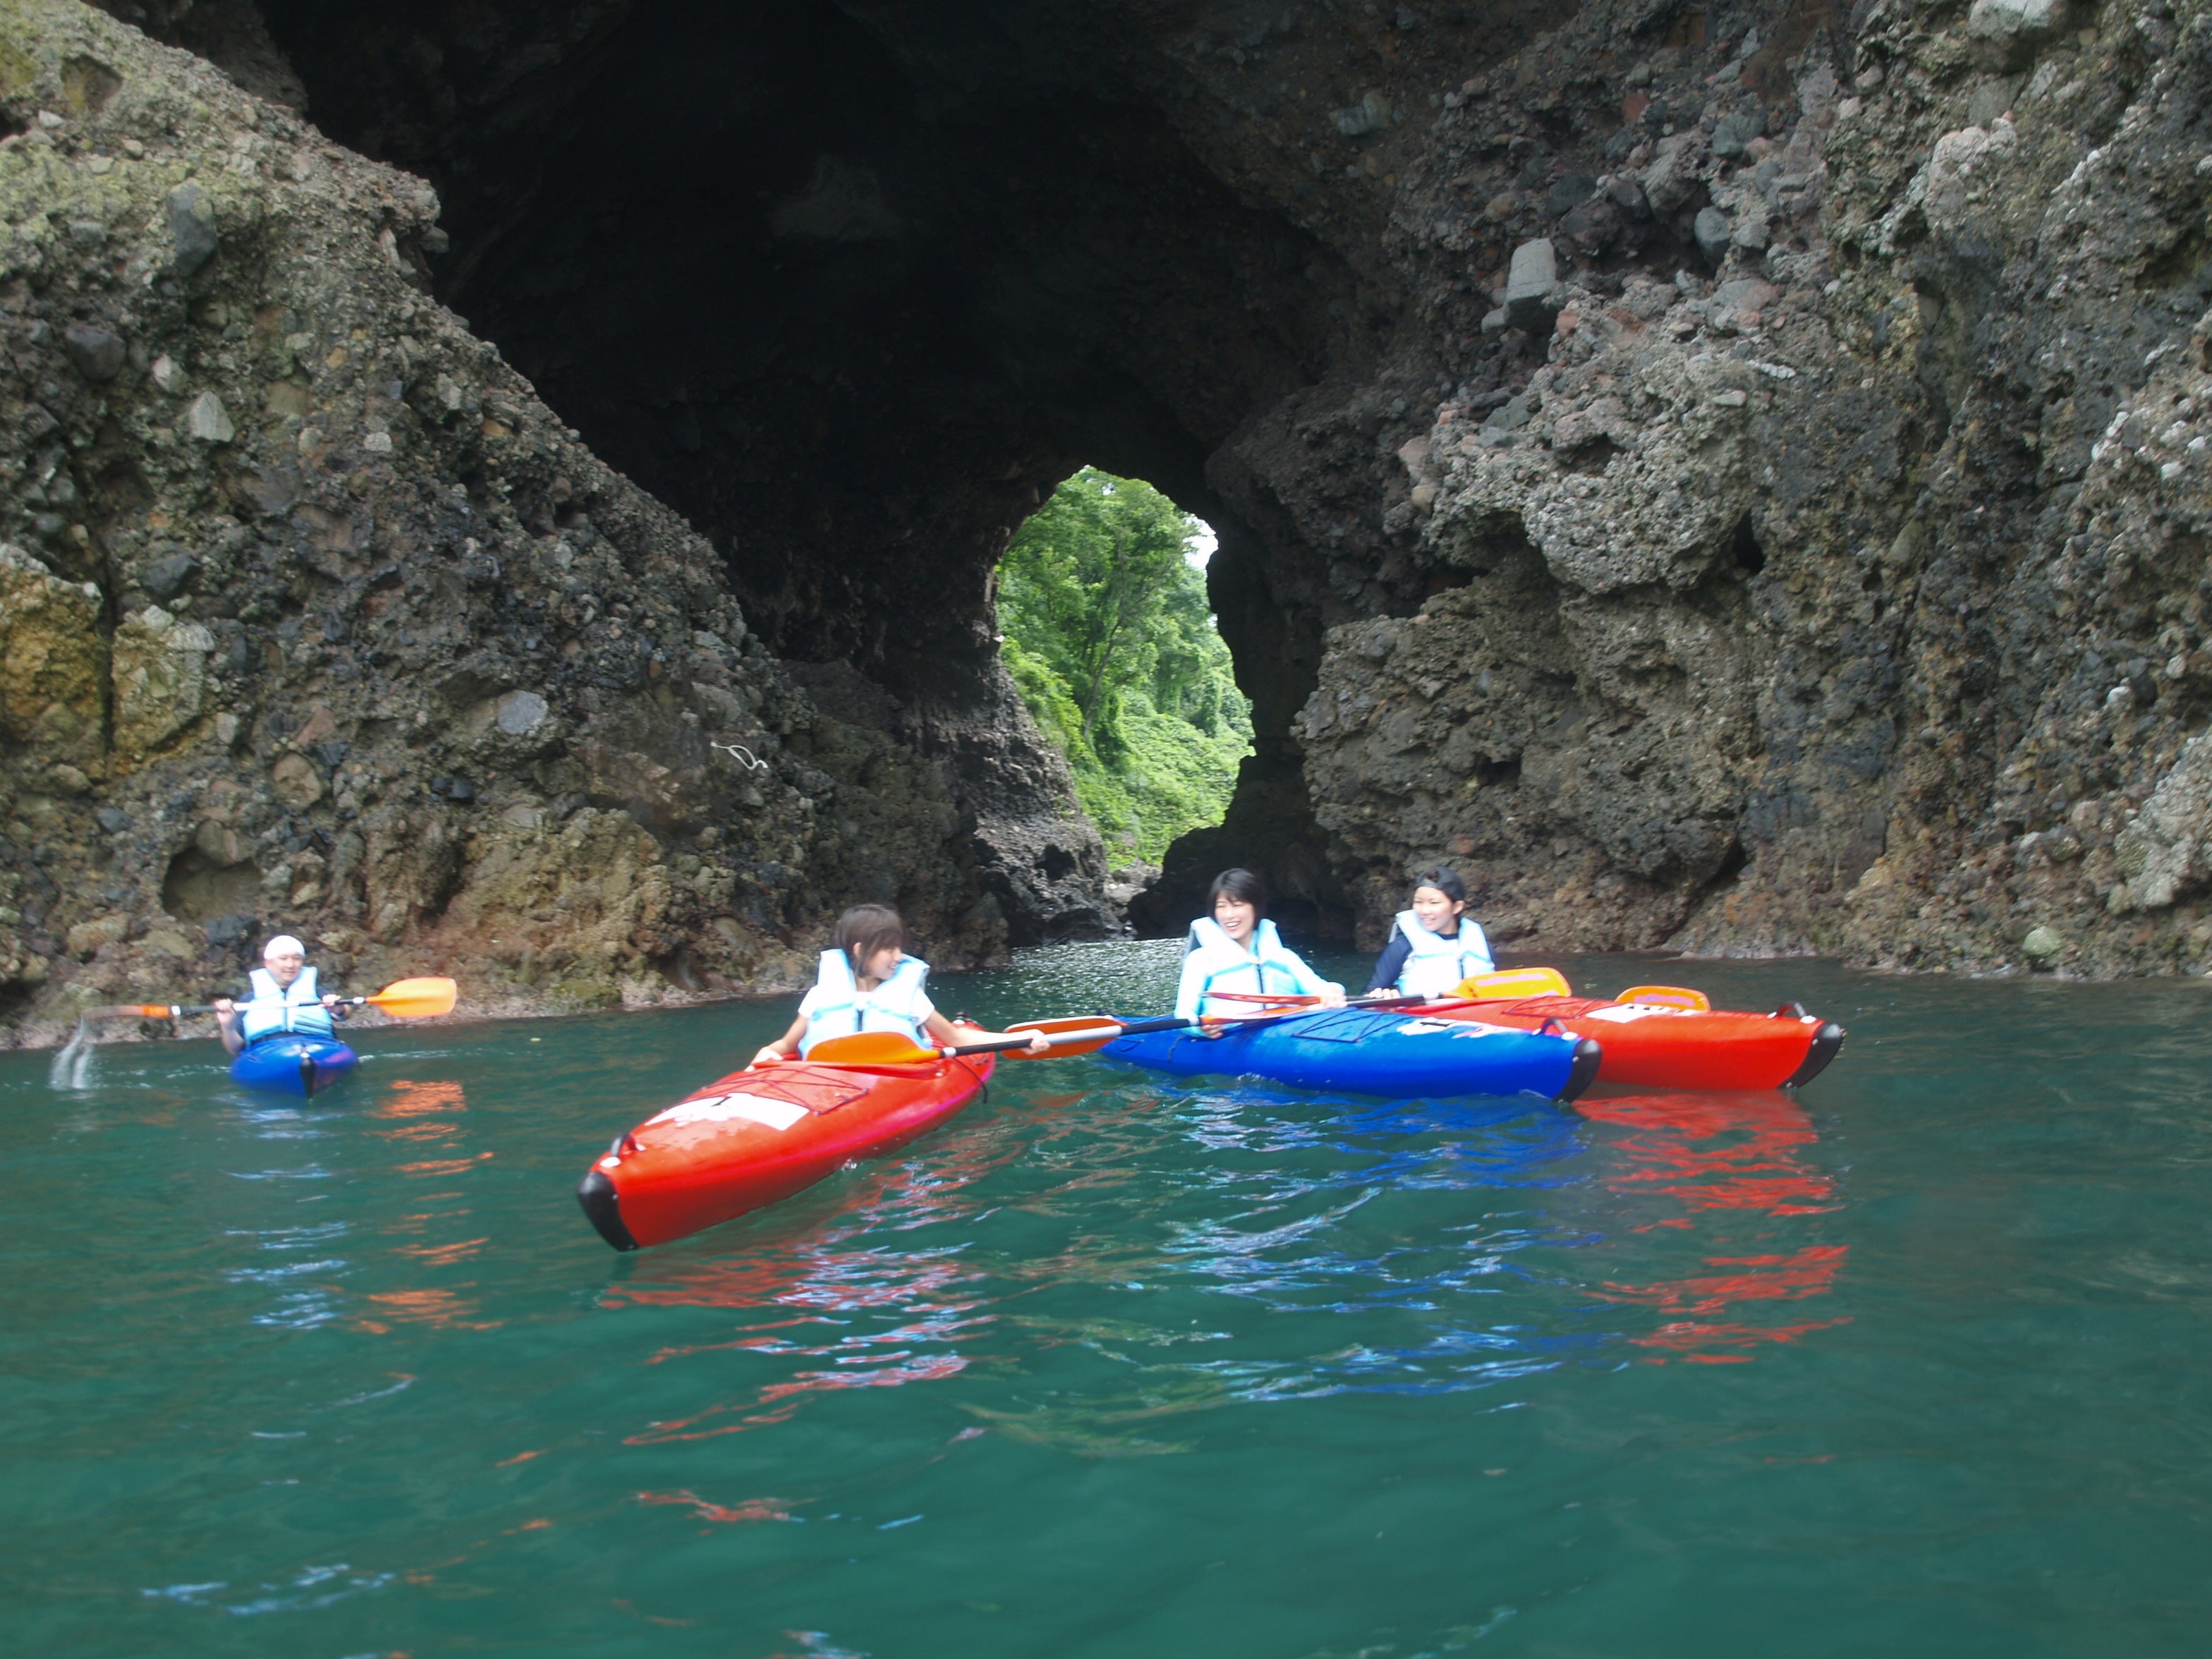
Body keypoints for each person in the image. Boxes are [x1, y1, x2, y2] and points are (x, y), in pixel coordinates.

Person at [754, 904, 1051, 1064]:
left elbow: (957, 1039)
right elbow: (787, 1045)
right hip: (824, 1084)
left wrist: (1022, 1039)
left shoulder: (909, 998)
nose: (899, 957)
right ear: (860, 951)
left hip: (895, 1081)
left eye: (899, 947)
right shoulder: (822, 995)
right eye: (889, 948)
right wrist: (769, 1052)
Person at [1175, 868, 1347, 1023]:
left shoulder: (1283, 957)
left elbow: (1319, 987)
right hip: (1227, 1037)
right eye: (1221, 907)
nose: (1229, 915)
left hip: (1281, 1033)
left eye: (1237, 905)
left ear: (1255, 908)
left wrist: (1333, 991)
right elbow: (1184, 1012)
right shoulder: (1201, 960)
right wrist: (1200, 1027)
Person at [1363, 867, 1494, 999]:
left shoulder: (1480, 946)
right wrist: (1384, 995)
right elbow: (1367, 997)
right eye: (1418, 902)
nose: (1425, 910)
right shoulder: (1402, 947)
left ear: (1457, 907)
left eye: (1434, 903)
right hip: (1418, 1017)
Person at [214, 934, 346, 1056]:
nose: (290, 965)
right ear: (268, 963)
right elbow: (234, 1049)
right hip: (267, 1053)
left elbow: (345, 1014)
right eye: (283, 958)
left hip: (318, 1048)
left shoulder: (318, 993)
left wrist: (339, 1008)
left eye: (296, 958)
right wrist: (228, 1026)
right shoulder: (249, 1001)